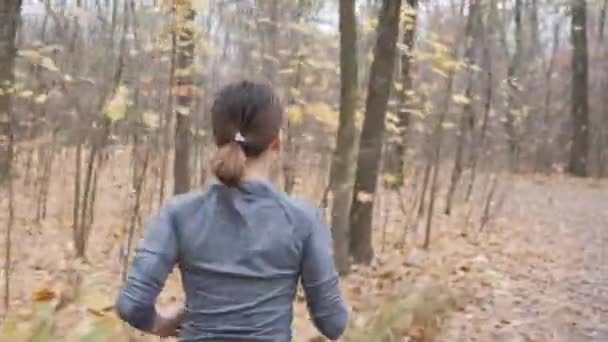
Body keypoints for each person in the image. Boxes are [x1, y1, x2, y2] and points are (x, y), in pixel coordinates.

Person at [116, 81, 349, 341]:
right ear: (276, 142)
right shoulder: (303, 219)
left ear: (217, 138)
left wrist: (161, 324)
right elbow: (333, 322)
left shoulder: (179, 214)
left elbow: (133, 304)